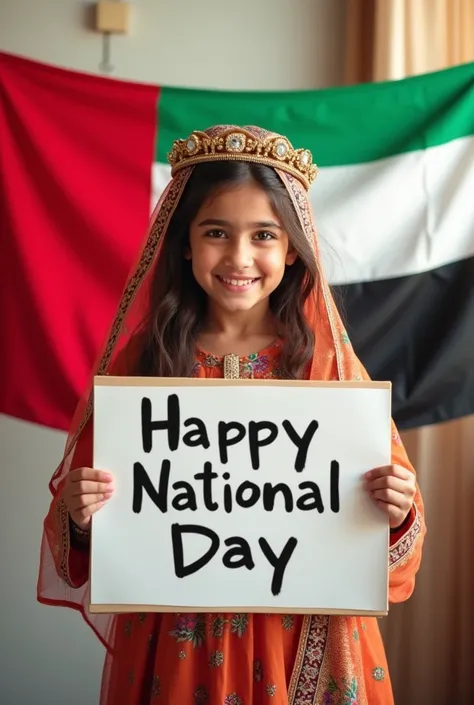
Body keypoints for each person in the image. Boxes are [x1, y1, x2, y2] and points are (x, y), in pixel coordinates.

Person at [37, 125, 426, 705]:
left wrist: (396, 511)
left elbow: (396, 554)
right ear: (186, 243)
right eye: (216, 232)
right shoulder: (143, 367)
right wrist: (81, 512)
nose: (239, 257)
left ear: (292, 249)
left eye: (263, 235)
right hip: (176, 642)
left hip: (306, 641)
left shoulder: (333, 369)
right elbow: (80, 540)